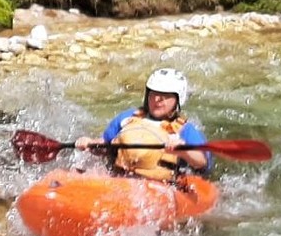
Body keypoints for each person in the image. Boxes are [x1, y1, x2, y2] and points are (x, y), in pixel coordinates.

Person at [75, 67, 211, 183]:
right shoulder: (127, 118)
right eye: (154, 94)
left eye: (165, 96)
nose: (158, 100)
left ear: (178, 100)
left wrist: (183, 151)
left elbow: (202, 163)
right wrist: (90, 144)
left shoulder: (185, 130)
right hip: (119, 178)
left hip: (159, 185)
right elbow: (106, 144)